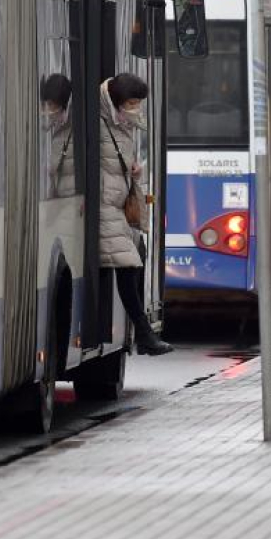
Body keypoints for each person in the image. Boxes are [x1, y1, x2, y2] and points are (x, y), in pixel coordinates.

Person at [100, 72, 172, 356]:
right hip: (103, 207)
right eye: (132, 102)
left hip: (117, 205)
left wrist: (134, 169)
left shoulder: (121, 122)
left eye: (138, 103)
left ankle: (142, 334)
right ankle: (143, 334)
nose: (136, 108)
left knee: (136, 263)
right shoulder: (100, 121)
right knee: (129, 267)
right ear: (117, 101)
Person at [40, 73, 76, 199]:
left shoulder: (73, 128)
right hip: (62, 201)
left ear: (62, 103)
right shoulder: (59, 128)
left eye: (51, 104)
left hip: (73, 202)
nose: (47, 110)